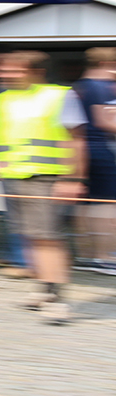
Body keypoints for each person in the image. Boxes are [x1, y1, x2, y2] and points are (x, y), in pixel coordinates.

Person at [0, 51, 87, 324]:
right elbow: (6, 141)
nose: (2, 75)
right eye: (1, 70)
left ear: (35, 71)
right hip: (14, 177)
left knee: (48, 239)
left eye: (13, 70)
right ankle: (44, 290)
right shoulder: (3, 99)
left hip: (46, 177)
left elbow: (76, 140)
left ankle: (59, 301)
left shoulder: (60, 96)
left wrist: (73, 179)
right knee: (31, 236)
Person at [71, 47, 116, 275]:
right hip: (99, 150)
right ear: (106, 63)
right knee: (107, 204)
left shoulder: (83, 85)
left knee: (86, 204)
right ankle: (105, 257)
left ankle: (86, 255)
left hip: (87, 151)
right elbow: (104, 121)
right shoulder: (99, 87)